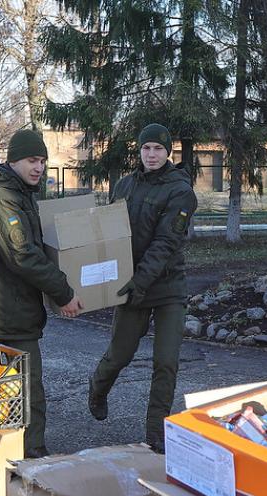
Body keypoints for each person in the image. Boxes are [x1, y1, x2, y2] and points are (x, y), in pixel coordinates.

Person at [0, 129, 84, 458]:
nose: (38, 167)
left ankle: (25, 462)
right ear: (13, 161)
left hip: (11, 317)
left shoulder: (19, 194)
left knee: (25, 395)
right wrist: (64, 293)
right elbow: (23, 256)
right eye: (31, 160)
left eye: (42, 161)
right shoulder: (1, 199)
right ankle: (15, 466)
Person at [87, 123, 198, 453]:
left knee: (166, 360)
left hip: (167, 288)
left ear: (168, 153)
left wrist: (140, 281)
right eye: (146, 148)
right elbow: (108, 236)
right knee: (119, 354)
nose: (152, 154)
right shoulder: (123, 186)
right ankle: (98, 388)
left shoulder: (181, 192)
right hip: (130, 286)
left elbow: (166, 242)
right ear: (140, 151)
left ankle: (156, 429)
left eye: (158, 149)